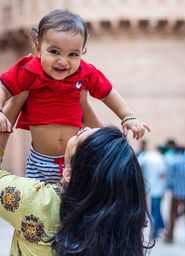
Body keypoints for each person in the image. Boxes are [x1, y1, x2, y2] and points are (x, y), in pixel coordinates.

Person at [0, 97, 158, 256]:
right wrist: (80, 98)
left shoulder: (36, 203)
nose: (83, 127)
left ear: (69, 174)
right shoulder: (117, 224)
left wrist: (12, 106)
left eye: (82, 134)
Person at [0, 9, 150, 184]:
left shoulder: (84, 72)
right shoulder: (28, 70)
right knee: (37, 206)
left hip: (74, 161)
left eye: (73, 54)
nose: (63, 61)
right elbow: (3, 86)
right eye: (54, 52)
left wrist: (127, 116)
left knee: (73, 206)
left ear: (81, 53)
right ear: (38, 49)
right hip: (39, 162)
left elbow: (108, 93)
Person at [165, 146, 185, 243]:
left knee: (173, 213)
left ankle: (170, 236)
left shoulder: (174, 162)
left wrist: (169, 188)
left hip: (176, 192)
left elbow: (170, 178)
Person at [138, 144, 166, 238]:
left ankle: (156, 229)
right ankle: (155, 231)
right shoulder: (159, 159)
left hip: (146, 188)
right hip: (157, 189)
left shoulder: (144, 157)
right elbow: (162, 175)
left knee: (150, 211)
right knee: (156, 210)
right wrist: (163, 190)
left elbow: (139, 171)